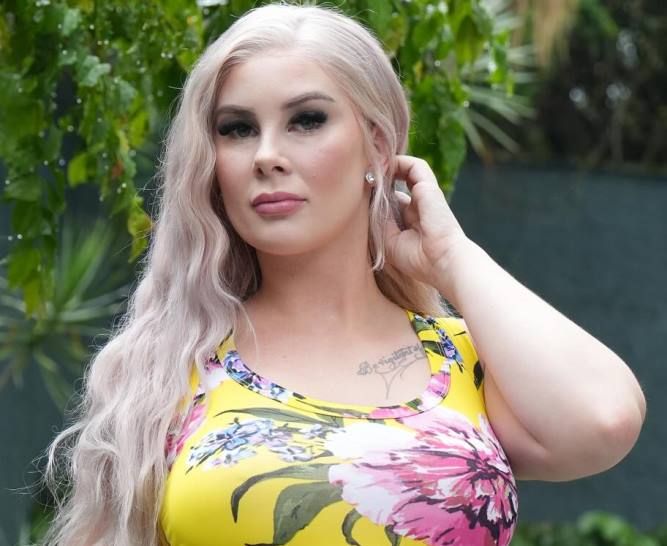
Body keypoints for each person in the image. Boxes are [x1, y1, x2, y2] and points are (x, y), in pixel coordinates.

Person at [42, 3, 646, 546]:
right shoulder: (165, 367)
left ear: (377, 147)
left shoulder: (469, 363)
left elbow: (604, 420)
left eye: (306, 120)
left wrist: (452, 259)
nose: (266, 155)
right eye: (237, 129)